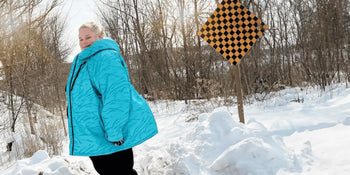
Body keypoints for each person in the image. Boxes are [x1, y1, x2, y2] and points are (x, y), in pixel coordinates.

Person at [65, 22, 158, 175]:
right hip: (97, 133)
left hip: (108, 133)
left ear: (100, 36)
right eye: (80, 39)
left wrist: (114, 132)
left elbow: (116, 97)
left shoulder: (105, 58)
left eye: (88, 37)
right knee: (110, 171)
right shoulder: (87, 59)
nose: (84, 42)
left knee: (119, 171)